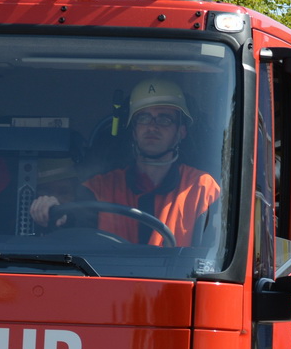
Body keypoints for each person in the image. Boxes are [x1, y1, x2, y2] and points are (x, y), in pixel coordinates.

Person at [30, 79, 220, 246]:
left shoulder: (202, 188)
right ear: (133, 129)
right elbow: (74, 229)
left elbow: (212, 256)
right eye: (143, 118)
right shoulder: (98, 188)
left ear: (181, 132)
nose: (152, 126)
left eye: (164, 119)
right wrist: (52, 212)